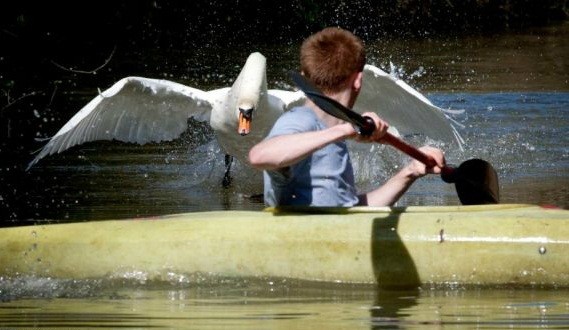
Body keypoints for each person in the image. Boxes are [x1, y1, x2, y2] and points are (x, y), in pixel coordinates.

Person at [248, 27, 445, 207]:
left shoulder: (329, 131)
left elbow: (350, 208)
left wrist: (410, 172)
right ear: (359, 80)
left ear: (304, 75)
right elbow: (259, 156)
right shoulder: (301, 119)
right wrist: (344, 130)